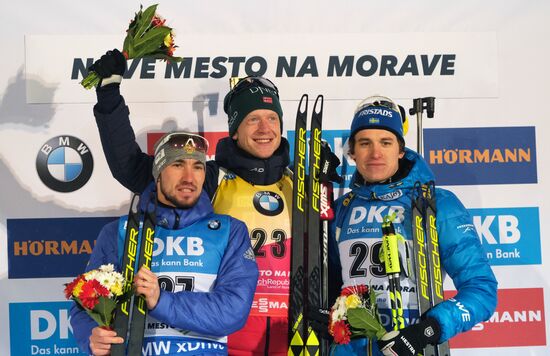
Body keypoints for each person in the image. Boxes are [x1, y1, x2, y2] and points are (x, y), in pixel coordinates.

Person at [87, 49, 311, 355]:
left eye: (272, 118)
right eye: (253, 119)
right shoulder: (210, 176)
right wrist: (110, 96)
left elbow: (323, 257)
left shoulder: (300, 184)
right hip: (222, 331)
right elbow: (132, 167)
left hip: (291, 334)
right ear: (234, 130)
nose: (265, 129)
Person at [327, 96, 498, 355]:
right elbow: (330, 288)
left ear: (400, 150)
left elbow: (481, 290)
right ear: (352, 152)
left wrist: (428, 331)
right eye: (365, 143)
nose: (375, 153)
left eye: (386, 142)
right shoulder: (341, 209)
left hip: (415, 347)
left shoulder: (437, 204)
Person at [70, 131, 259, 355]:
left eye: (198, 167)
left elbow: (232, 311)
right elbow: (85, 305)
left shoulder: (229, 231)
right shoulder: (119, 232)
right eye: (178, 164)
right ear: (158, 172)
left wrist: (161, 300)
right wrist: (92, 336)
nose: (189, 177)